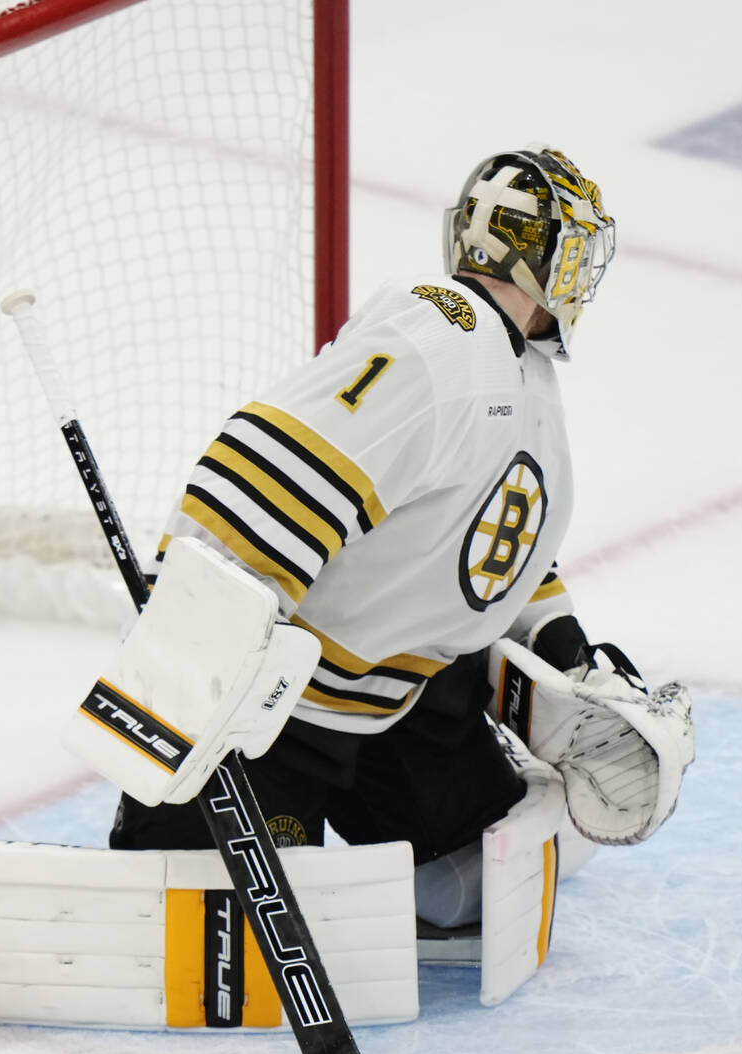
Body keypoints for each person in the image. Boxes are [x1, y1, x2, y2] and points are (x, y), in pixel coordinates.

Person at [107, 144, 692, 918]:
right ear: (538, 257)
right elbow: (261, 472)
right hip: (278, 712)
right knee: (211, 925)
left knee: (488, 888)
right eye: (576, 253)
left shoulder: (528, 379)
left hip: (406, 703)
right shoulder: (438, 334)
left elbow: (491, 546)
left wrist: (565, 657)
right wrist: (196, 659)